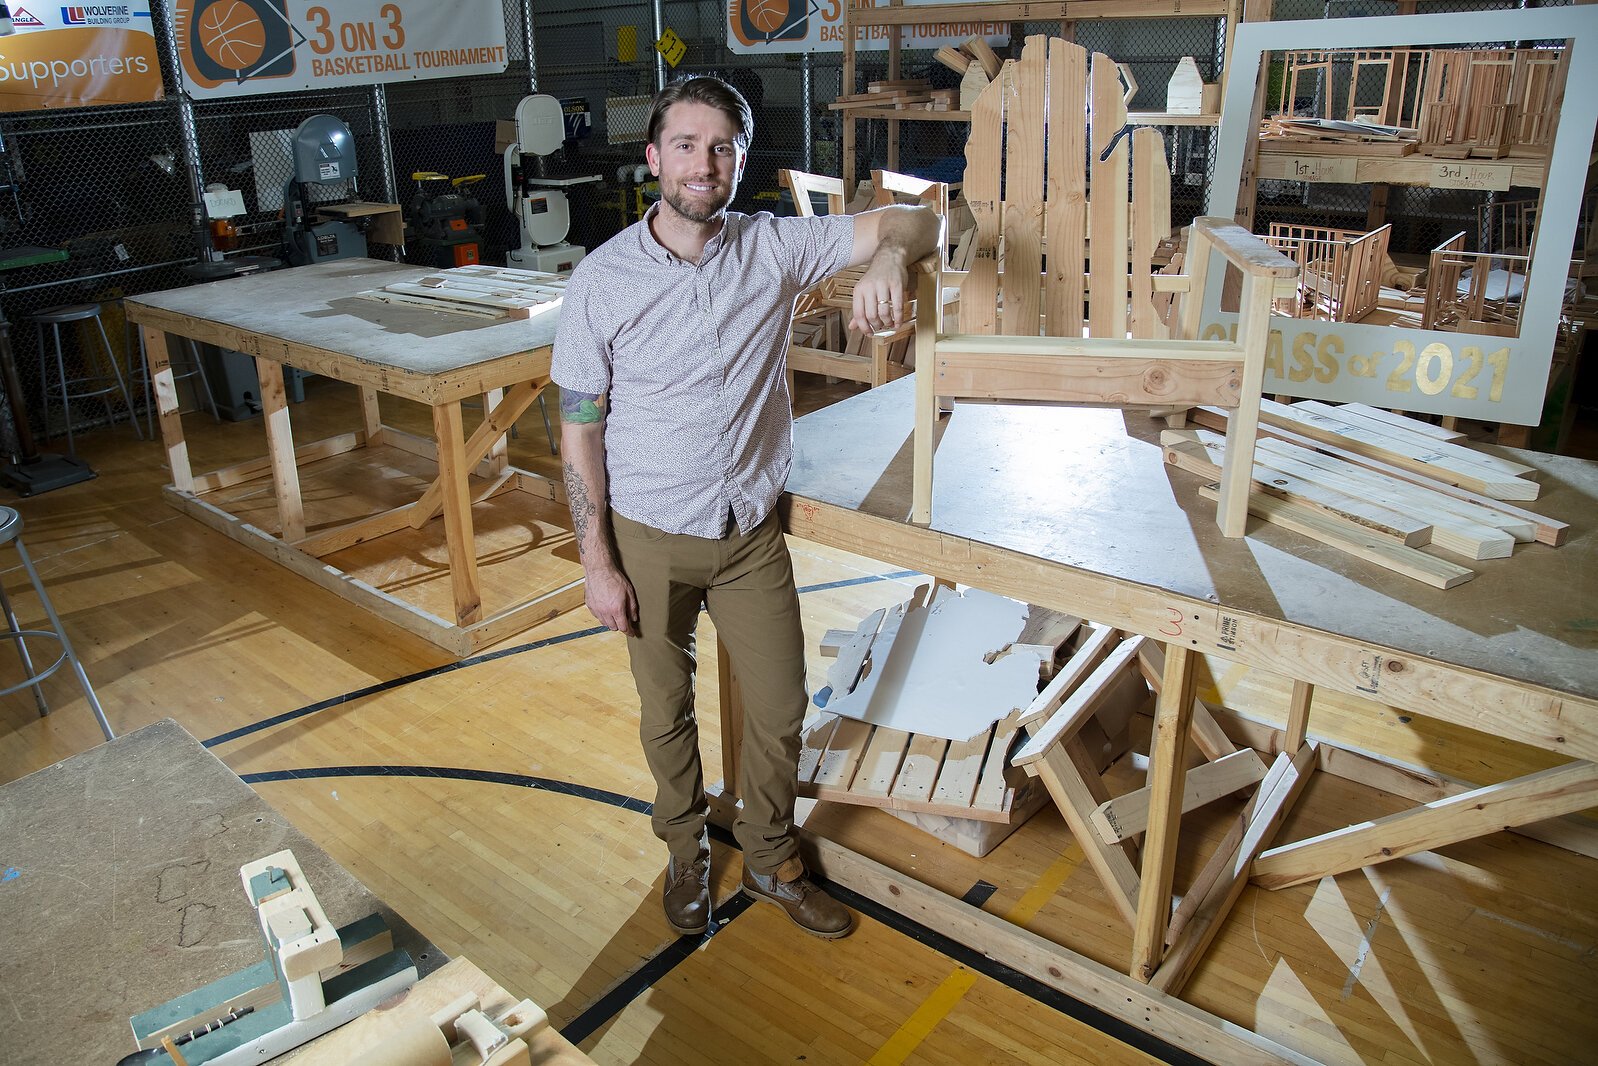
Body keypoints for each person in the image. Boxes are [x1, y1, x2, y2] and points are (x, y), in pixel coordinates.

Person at [551, 76, 938, 940]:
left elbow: (922, 219)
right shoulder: (602, 282)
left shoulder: (773, 248)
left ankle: (769, 857)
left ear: (739, 161)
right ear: (653, 159)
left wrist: (884, 257)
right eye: (685, 145)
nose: (703, 163)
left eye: (721, 147)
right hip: (647, 535)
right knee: (667, 712)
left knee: (779, 707)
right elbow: (579, 428)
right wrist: (596, 561)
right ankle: (686, 852)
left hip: (748, 534)